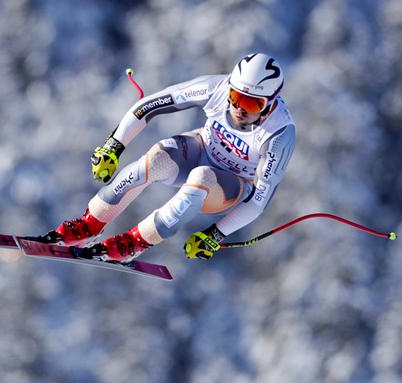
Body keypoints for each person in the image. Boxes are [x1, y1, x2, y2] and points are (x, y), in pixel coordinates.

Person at [38, 53, 296, 263]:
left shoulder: (279, 133)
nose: (240, 108)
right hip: (201, 149)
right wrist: (113, 146)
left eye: (252, 104)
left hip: (231, 185)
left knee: (202, 176)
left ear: (271, 104)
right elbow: (148, 106)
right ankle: (88, 225)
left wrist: (215, 235)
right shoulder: (216, 88)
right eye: (236, 97)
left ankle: (135, 242)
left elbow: (259, 201)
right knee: (158, 157)